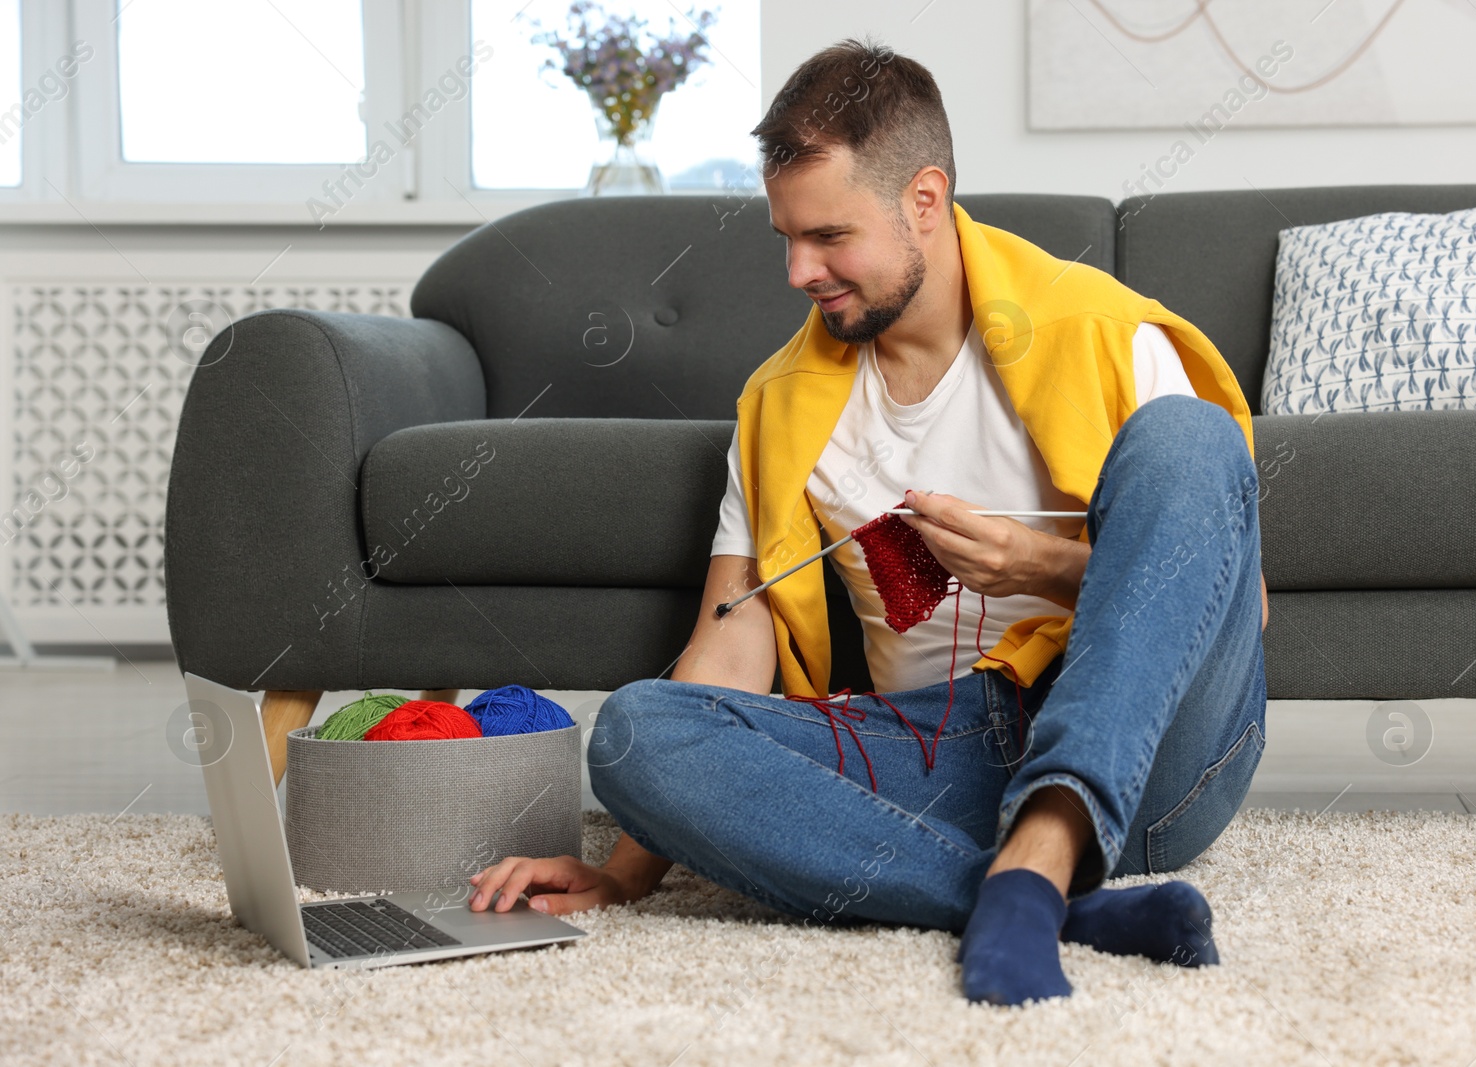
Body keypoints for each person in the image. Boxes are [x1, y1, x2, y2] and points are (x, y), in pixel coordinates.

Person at [469, 35, 1270, 1007]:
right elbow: (731, 643)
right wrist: (627, 874)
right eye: (786, 238)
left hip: (1152, 755)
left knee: (1188, 435)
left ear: (923, 201)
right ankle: (1044, 897)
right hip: (945, 757)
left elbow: (1242, 608)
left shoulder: (1102, 334)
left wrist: (1038, 562)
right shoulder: (780, 405)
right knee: (636, 731)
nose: (800, 269)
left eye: (830, 237)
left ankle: (1043, 849)